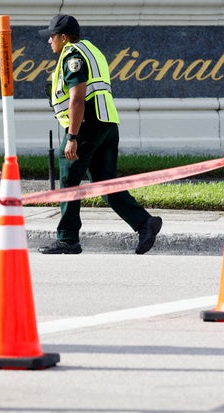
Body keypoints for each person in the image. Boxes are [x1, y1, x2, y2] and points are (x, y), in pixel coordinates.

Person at [37, 14, 162, 255]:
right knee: (105, 183)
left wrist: (72, 137)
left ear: (63, 37)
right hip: (107, 124)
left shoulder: (73, 56)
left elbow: (77, 98)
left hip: (86, 125)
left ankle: (67, 239)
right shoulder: (91, 49)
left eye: (52, 36)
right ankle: (144, 223)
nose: (49, 41)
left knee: (69, 178)